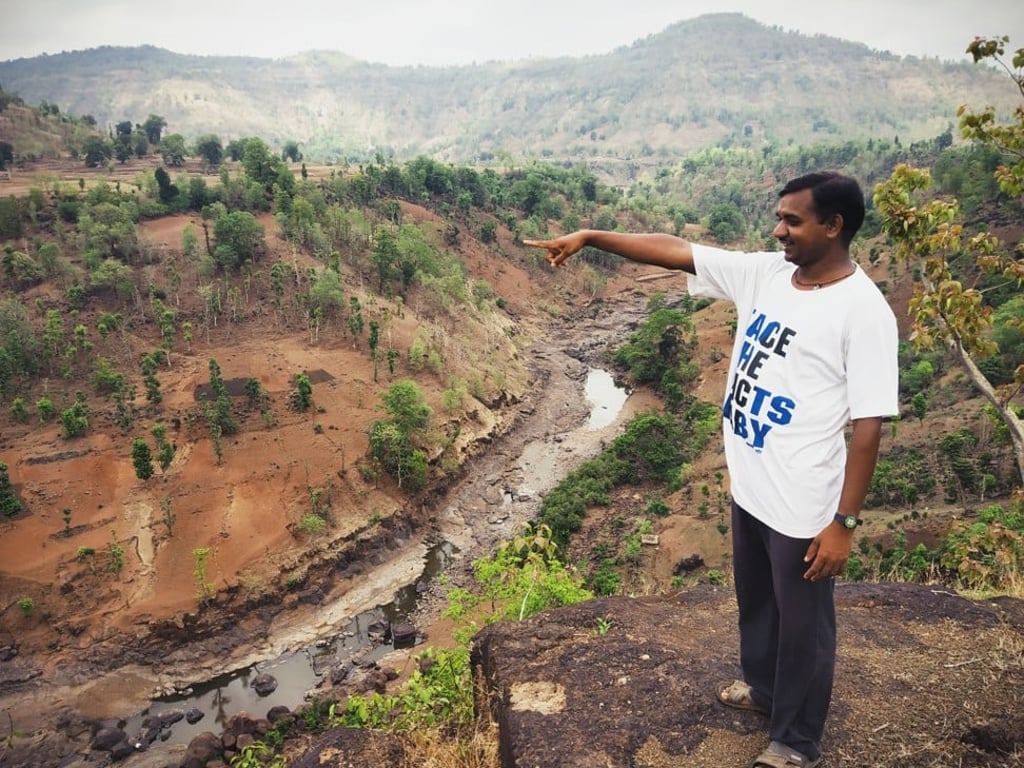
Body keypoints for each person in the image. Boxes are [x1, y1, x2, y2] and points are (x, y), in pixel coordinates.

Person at [525, 171, 899, 768]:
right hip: (751, 484)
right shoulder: (769, 274)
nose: (779, 230)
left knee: (804, 626)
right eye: (779, 218)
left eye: (792, 221)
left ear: (833, 226)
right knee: (757, 601)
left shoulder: (863, 311)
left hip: (804, 501)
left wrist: (843, 523)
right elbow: (676, 250)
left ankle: (796, 740)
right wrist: (592, 236)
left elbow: (870, 425)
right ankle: (763, 688)